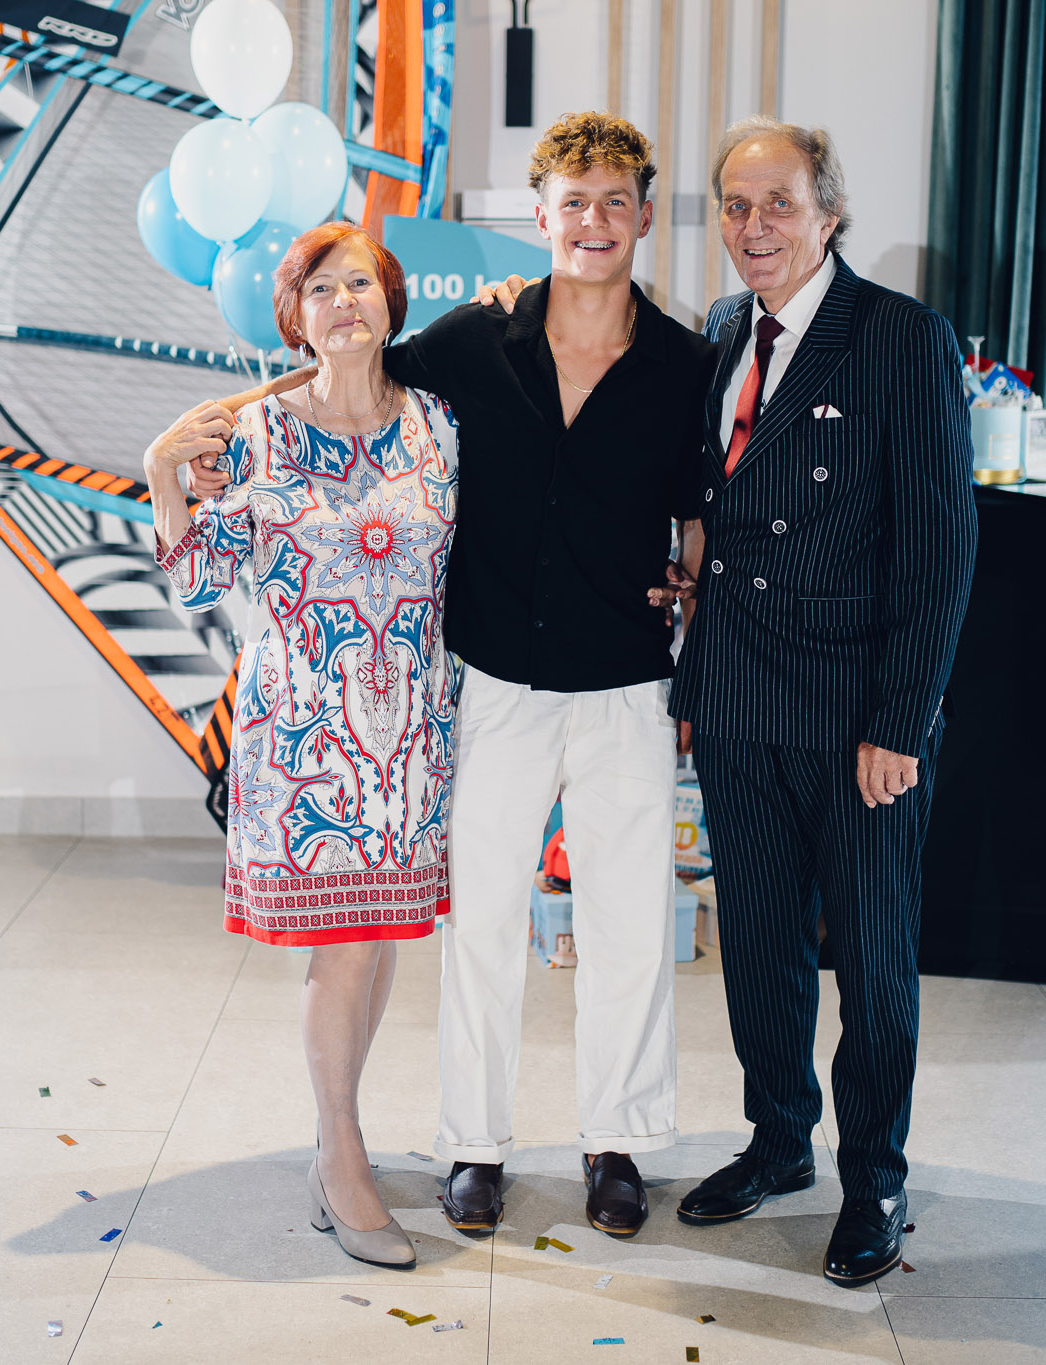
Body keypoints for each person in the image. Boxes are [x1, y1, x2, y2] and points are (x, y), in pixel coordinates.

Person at [194, 112, 718, 1240]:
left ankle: (616, 1141)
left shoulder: (684, 365)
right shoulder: (472, 342)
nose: (593, 221)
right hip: (495, 681)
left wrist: (689, 596)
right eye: (573, 203)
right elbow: (342, 372)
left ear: (641, 216)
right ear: (541, 218)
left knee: (629, 925)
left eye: (614, 202)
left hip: (626, 682)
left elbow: (695, 515)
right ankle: (473, 1147)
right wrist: (210, 433)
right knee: (479, 924)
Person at [669, 117, 977, 1286]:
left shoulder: (899, 337)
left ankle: (874, 1177)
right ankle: (777, 1140)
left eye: (778, 204)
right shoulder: (720, 330)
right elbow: (718, 508)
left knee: (873, 960)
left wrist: (899, 720)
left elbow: (939, 548)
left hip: (857, 713)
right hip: (736, 694)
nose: (752, 227)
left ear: (829, 213)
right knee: (756, 945)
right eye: (734, 205)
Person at [143, 221, 459, 1271]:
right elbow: (199, 580)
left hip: (410, 734)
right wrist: (161, 472)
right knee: (347, 943)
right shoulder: (257, 434)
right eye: (320, 288)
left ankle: (339, 1137)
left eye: (359, 282)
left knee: (378, 938)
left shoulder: (441, 426)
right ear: (296, 317)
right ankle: (341, 1151)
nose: (343, 301)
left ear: (390, 303)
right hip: (305, 738)